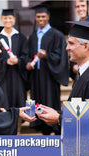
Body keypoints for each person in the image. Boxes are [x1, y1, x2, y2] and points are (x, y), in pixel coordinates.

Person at [36, 21, 89, 131]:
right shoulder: (85, 72)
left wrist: (60, 118)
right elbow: (82, 112)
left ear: (86, 46)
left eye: (71, 43)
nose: (67, 48)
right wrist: (57, 114)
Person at [26, 6, 69, 135]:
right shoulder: (33, 36)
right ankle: (41, 126)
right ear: (35, 18)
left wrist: (47, 56)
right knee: (38, 101)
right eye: (38, 17)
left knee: (50, 101)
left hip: (50, 75)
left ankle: (54, 127)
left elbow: (60, 55)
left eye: (43, 16)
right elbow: (29, 54)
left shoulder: (57, 35)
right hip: (36, 75)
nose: (41, 19)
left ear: (48, 17)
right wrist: (28, 64)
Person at [0, 9, 28, 109]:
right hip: (3, 75)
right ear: (1, 19)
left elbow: (26, 55)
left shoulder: (21, 37)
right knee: (4, 102)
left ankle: (18, 123)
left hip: (17, 75)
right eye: (5, 18)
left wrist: (18, 61)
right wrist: (5, 61)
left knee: (18, 101)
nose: (8, 20)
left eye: (10, 18)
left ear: (14, 19)